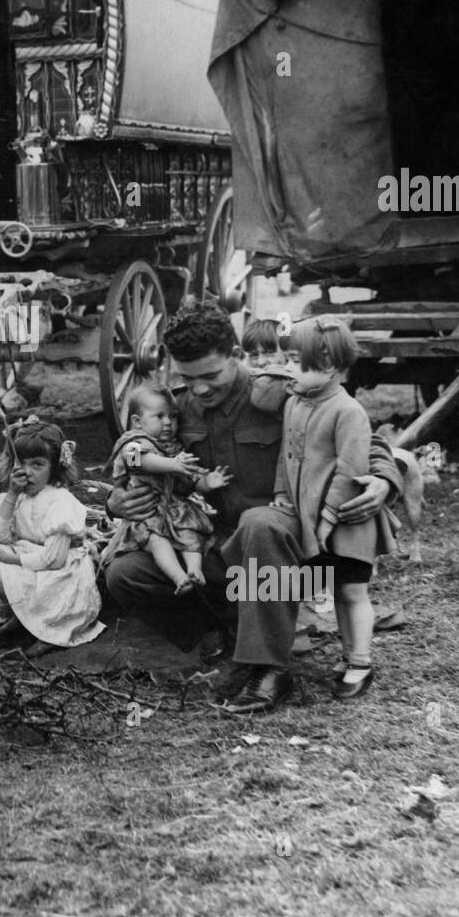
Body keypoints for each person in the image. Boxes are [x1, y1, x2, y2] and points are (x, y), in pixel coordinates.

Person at [103, 300, 403, 713]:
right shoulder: (175, 408)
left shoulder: (285, 390)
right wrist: (115, 501)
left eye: (211, 375)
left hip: (296, 554)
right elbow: (133, 460)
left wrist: (385, 480)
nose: (201, 389)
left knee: (259, 523)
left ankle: (268, 669)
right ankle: (224, 633)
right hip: (223, 546)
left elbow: (360, 434)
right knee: (125, 575)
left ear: (237, 356)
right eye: (188, 379)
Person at [265, 317, 392, 699]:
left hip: (348, 520)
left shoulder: (347, 411)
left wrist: (327, 520)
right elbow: (285, 457)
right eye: (285, 359)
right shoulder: (295, 403)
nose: (286, 368)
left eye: (295, 362)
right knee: (336, 590)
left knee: (353, 592)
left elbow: (351, 471)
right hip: (313, 519)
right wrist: (282, 494)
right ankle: (350, 655)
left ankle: (361, 663)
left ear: (331, 368)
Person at [0, 419, 103, 656]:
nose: (28, 472)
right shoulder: (20, 496)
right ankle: (20, 618)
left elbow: (54, 560)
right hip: (34, 563)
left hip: (61, 575)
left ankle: (49, 627)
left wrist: (7, 558)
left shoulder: (60, 501)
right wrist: (12, 494)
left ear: (55, 467)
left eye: (37, 464)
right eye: (21, 463)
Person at [103, 384, 231, 593]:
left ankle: (194, 570)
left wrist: (207, 482)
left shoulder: (174, 448)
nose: (167, 423)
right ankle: (177, 576)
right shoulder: (133, 442)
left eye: (172, 417)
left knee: (191, 534)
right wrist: (172, 464)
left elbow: (191, 478)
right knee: (156, 541)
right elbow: (137, 461)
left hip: (174, 509)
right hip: (149, 513)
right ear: (137, 421)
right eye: (159, 416)